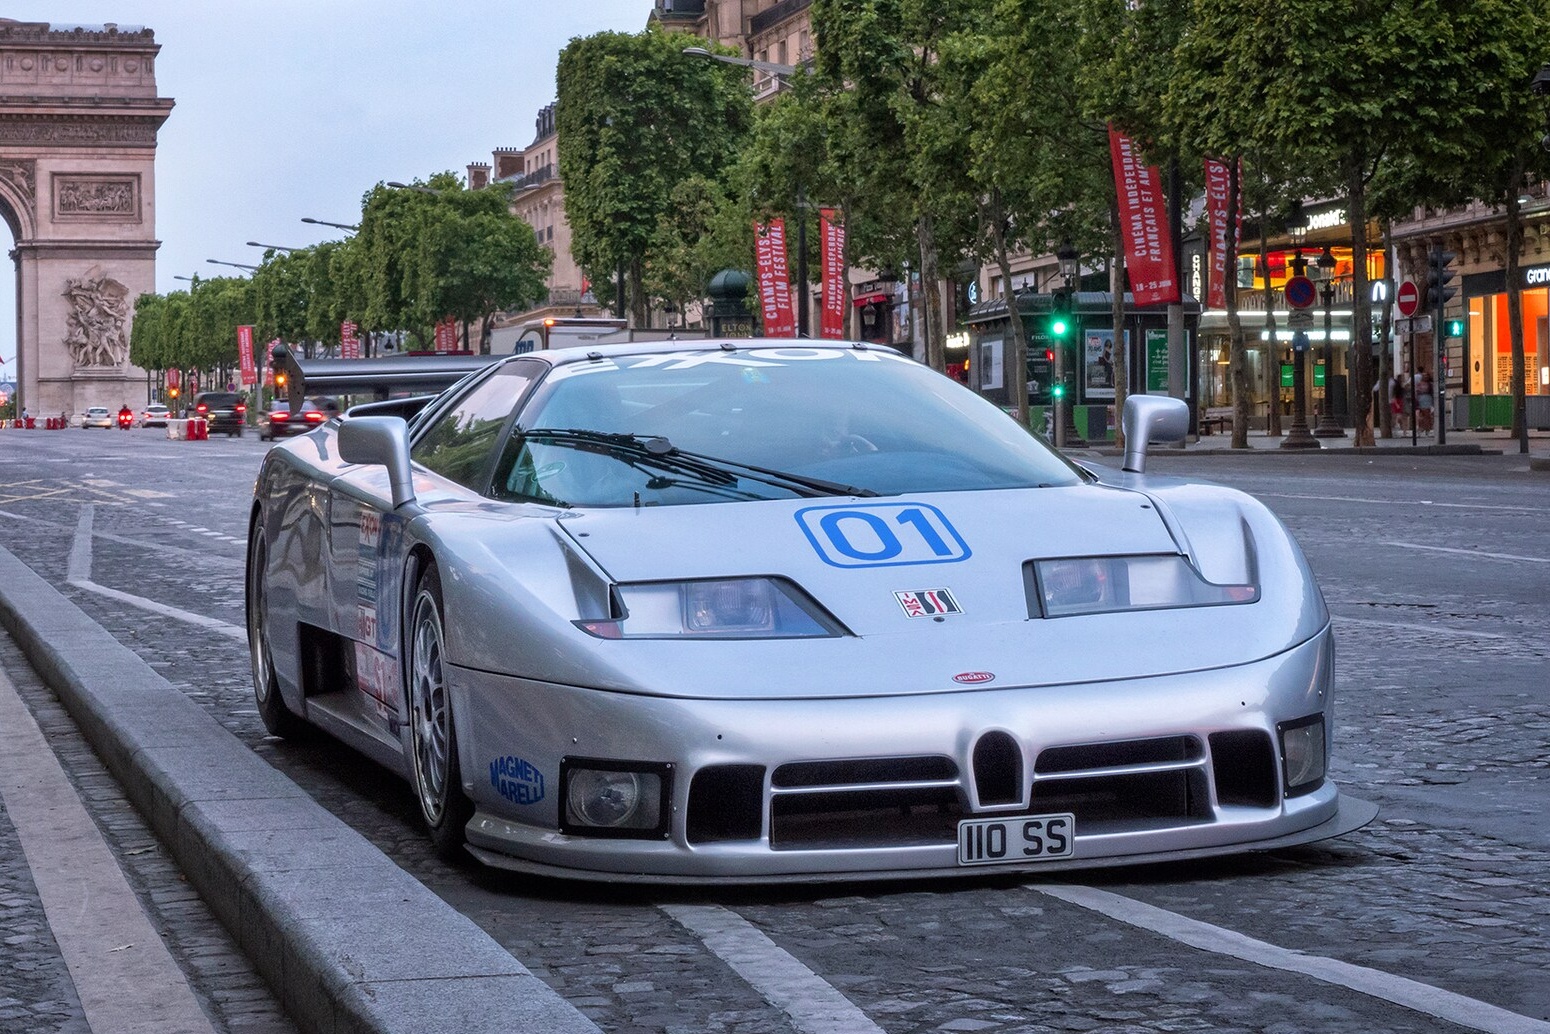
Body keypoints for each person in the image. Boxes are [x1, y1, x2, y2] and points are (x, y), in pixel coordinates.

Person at [1417, 370, 1434, 436]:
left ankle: (1427, 429)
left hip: (1427, 399)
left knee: (1427, 415)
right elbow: (1417, 392)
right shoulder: (1419, 384)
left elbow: (1432, 393)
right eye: (1424, 376)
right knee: (1421, 416)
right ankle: (1422, 429)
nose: (1425, 377)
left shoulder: (1430, 384)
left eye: (1426, 376)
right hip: (1421, 399)